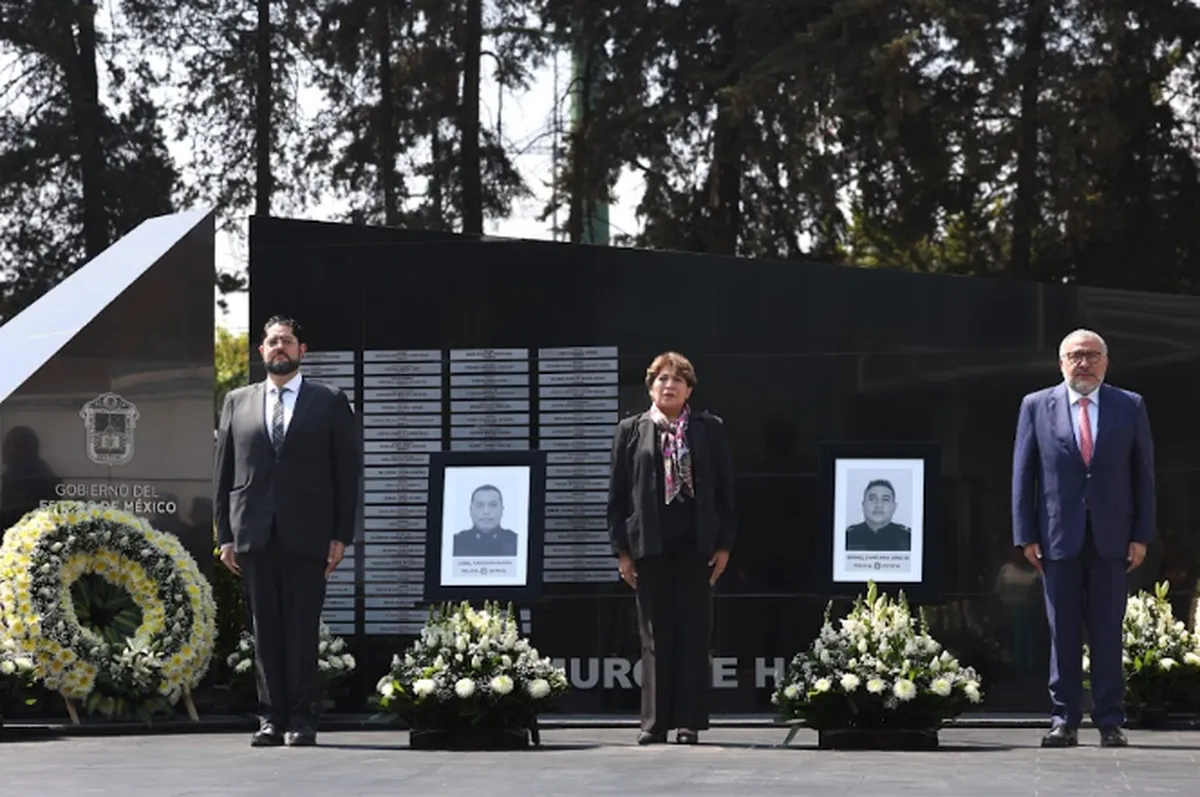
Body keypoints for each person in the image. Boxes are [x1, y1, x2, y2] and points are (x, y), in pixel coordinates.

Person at [214, 315, 360, 747]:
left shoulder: (329, 401)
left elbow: (346, 474)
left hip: (310, 534)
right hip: (254, 533)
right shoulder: (237, 401)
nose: (279, 347)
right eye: (272, 341)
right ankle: (270, 719)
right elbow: (224, 473)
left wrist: (341, 535)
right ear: (261, 351)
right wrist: (225, 535)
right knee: (266, 631)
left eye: (287, 341)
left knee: (301, 630)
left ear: (302, 350)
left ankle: (302, 720)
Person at [1012, 328, 1155, 749]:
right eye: (1075, 356)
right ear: (1061, 363)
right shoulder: (1037, 406)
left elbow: (1143, 476)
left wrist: (1141, 535)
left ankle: (1110, 720)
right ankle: (1064, 719)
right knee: (1064, 632)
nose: (1084, 363)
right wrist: (1026, 535)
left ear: (1106, 362)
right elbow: (1024, 475)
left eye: (1092, 355)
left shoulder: (1129, 406)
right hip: (1057, 539)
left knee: (1109, 631)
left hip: (1113, 539)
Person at [606, 351, 736, 745]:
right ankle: (655, 722)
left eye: (678, 380)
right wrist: (623, 552)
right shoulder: (632, 430)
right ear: (650, 386)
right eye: (662, 379)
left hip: (697, 545)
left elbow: (724, 491)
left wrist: (725, 545)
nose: (669, 385)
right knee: (655, 635)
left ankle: (688, 722)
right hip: (650, 545)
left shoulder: (708, 428)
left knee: (694, 633)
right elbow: (617, 497)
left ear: (689, 388)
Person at [844, 479, 912, 552]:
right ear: (863, 505)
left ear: (894, 507)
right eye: (872, 499)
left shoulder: (908, 537)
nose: (879, 505)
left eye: (885, 499)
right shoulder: (847, 536)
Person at [452, 484, 519, 557]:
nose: (486, 511)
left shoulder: (516, 542)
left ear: (501, 510)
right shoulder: (455, 543)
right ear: (471, 510)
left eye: (493, 505)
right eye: (479, 505)